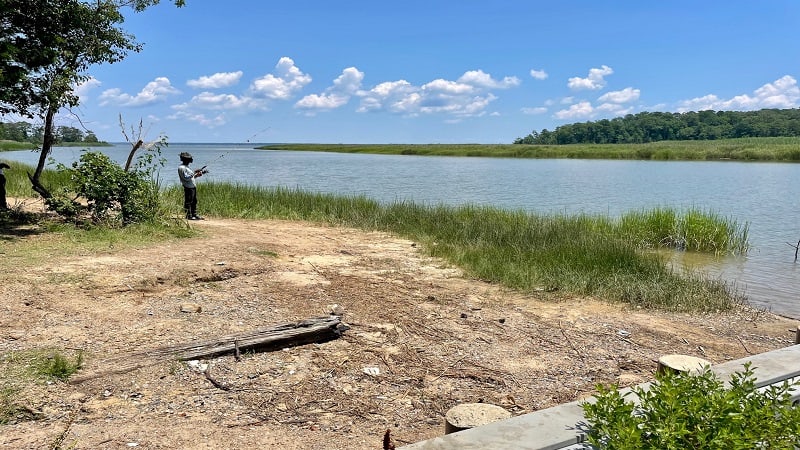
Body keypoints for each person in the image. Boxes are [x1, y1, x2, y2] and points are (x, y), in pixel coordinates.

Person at [177, 152, 207, 220]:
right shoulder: (181, 168)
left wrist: (199, 174)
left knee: (194, 201)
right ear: (185, 159)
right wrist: (194, 172)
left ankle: (194, 214)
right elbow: (186, 178)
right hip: (188, 187)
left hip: (192, 187)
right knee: (188, 201)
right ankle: (189, 216)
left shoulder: (187, 167)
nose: (191, 160)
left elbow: (191, 177)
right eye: (189, 159)